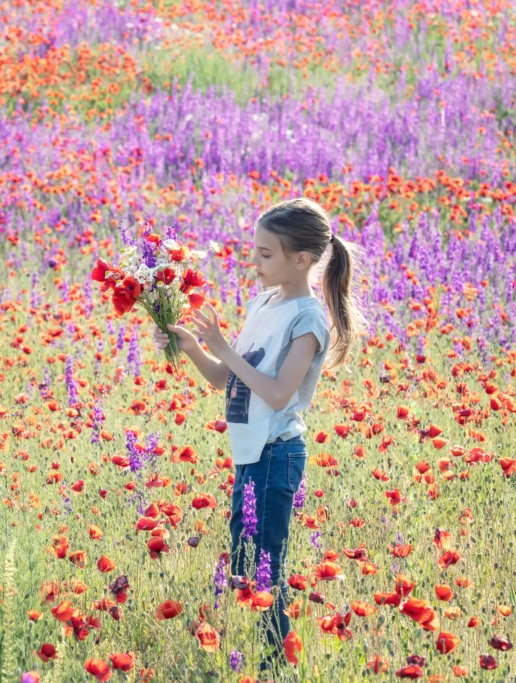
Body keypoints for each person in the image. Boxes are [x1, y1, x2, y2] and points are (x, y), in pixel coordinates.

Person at [154, 197, 368, 676]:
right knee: (247, 567)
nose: (255, 262)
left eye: (266, 254)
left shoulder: (306, 320)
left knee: (265, 567)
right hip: (251, 452)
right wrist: (193, 349)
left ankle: (275, 665)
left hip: (276, 454)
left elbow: (275, 393)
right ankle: (259, 659)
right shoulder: (265, 302)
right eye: (255, 251)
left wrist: (225, 348)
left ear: (302, 260)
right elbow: (227, 380)